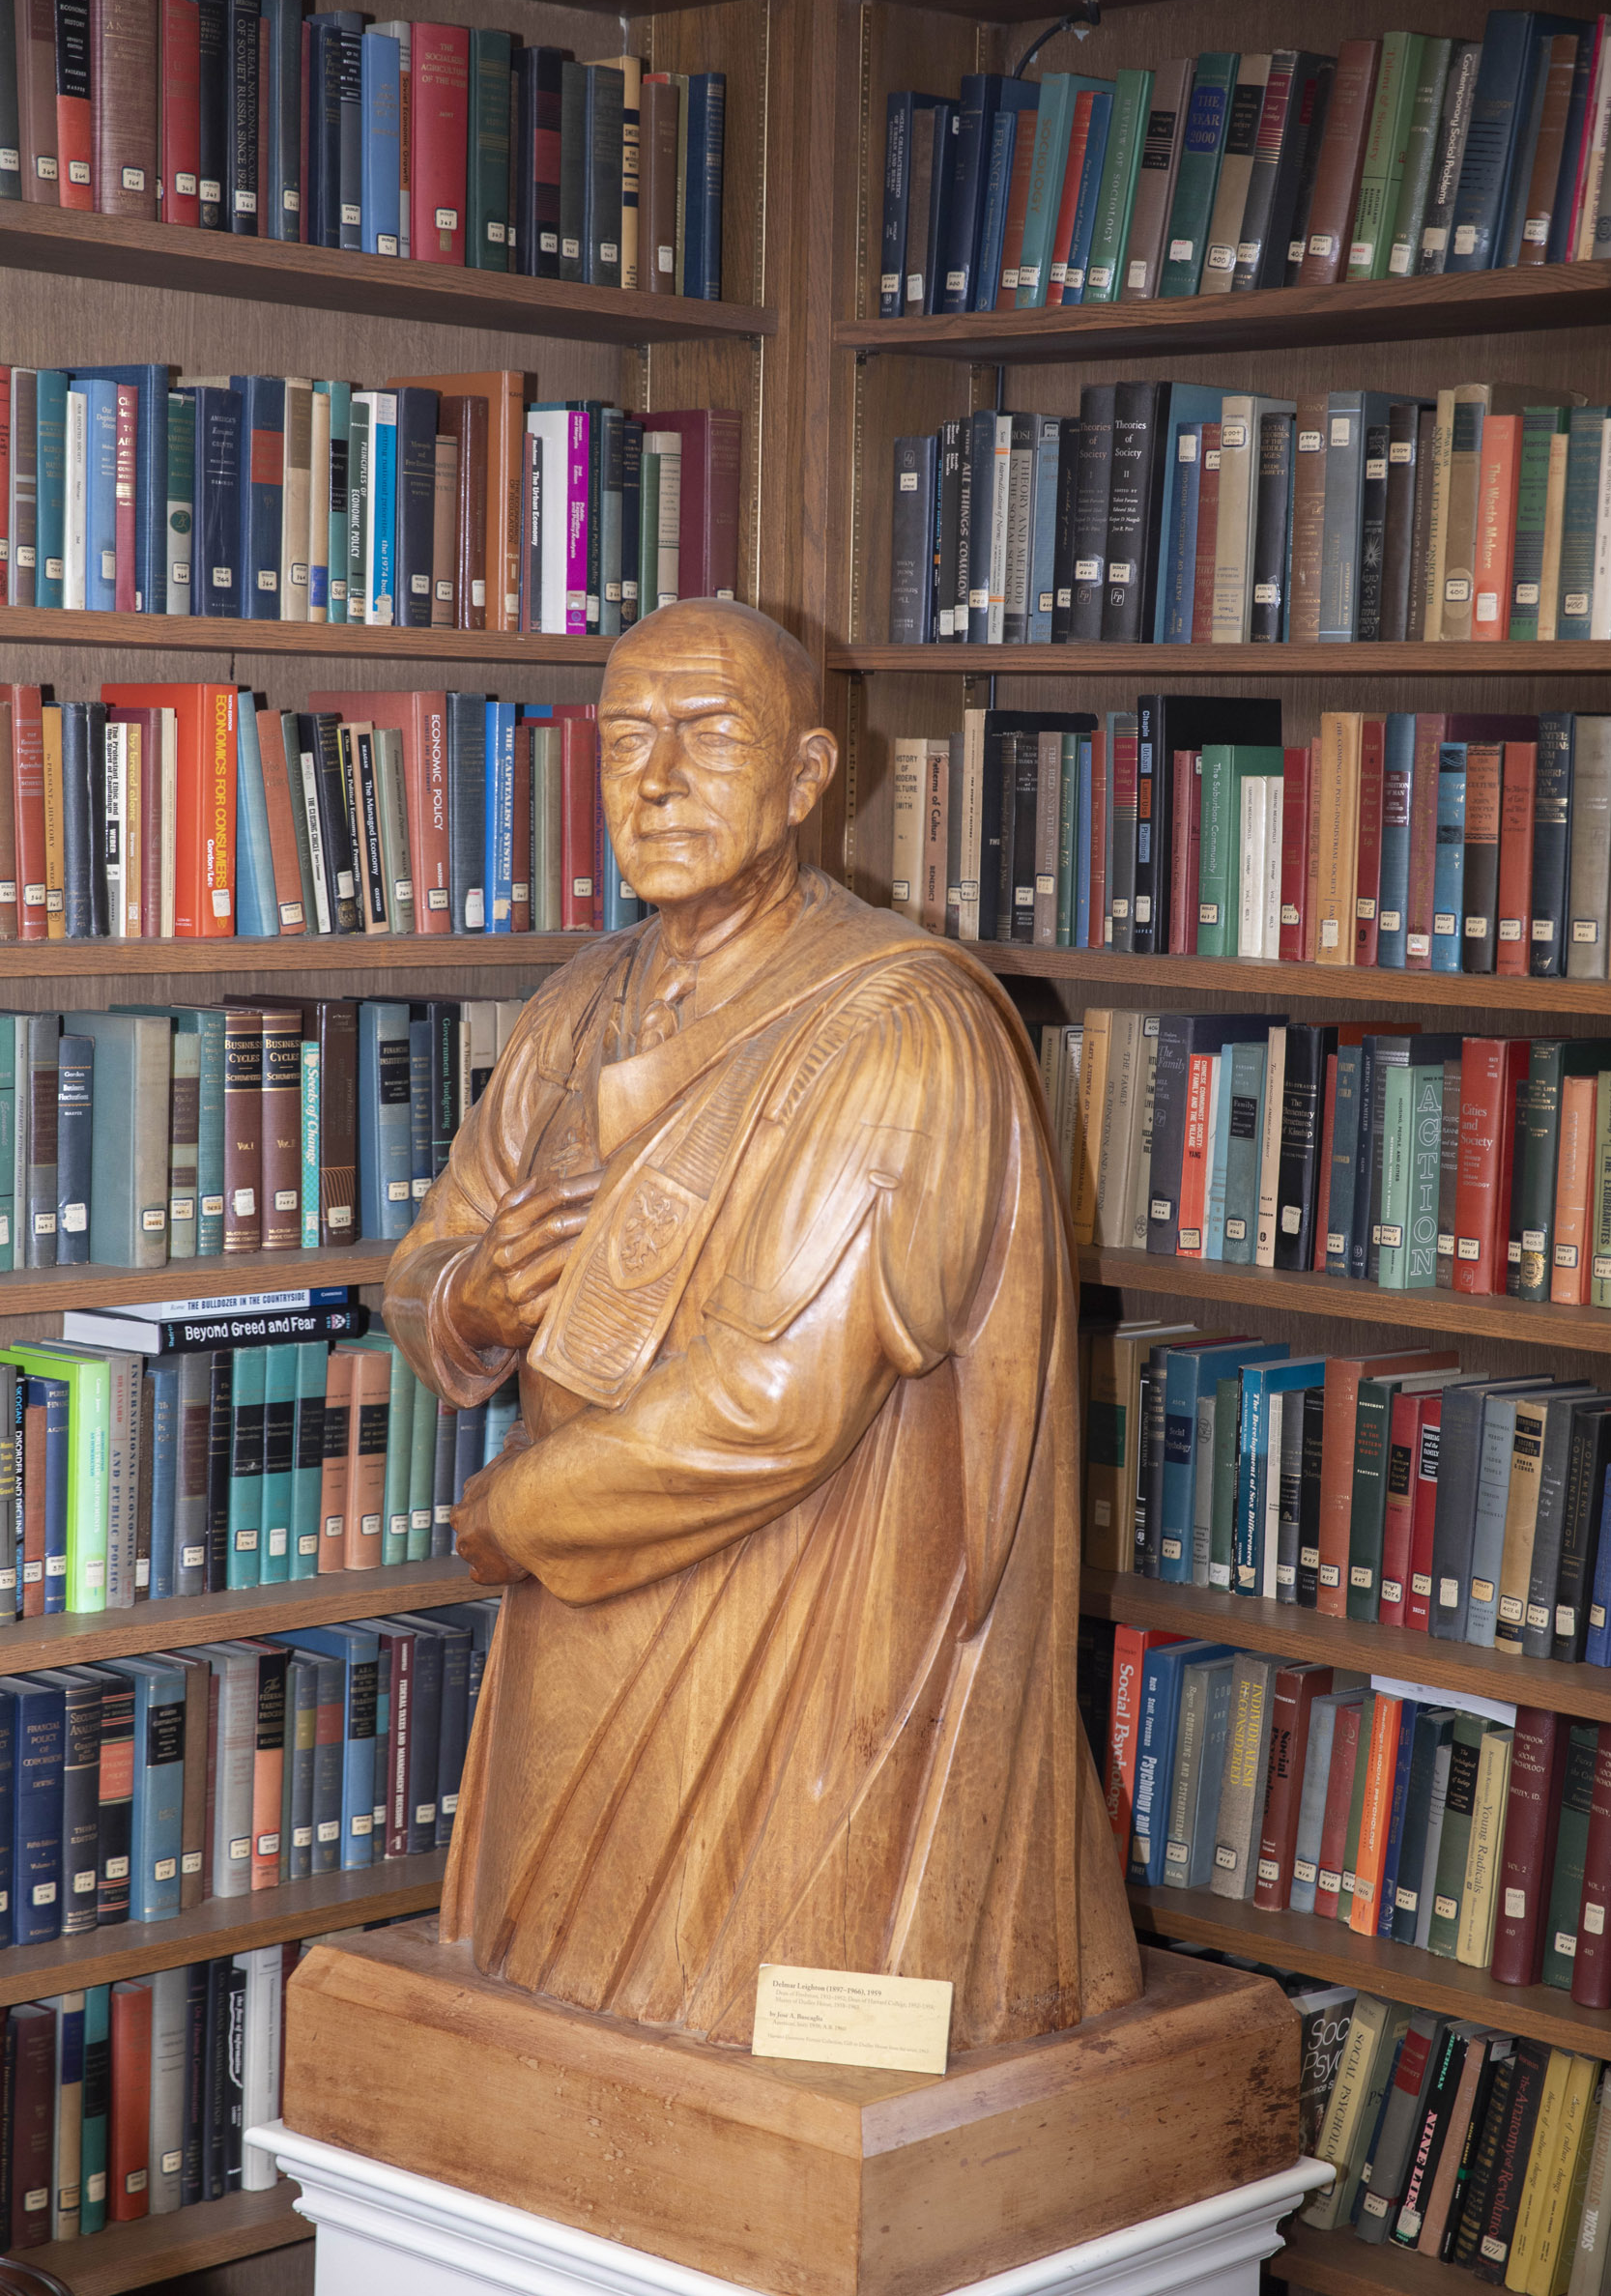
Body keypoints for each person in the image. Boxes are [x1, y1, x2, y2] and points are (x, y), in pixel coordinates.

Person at [383, 598, 1138, 2052]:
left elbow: (772, 1401)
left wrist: (505, 1518)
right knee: (562, 2033)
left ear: (804, 783)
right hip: (585, 1637)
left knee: (724, 2029)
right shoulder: (573, 1004)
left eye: (705, 737)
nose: (654, 781)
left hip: (799, 1637)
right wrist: (470, 1299)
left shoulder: (898, 1023)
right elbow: (429, 1258)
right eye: (625, 739)